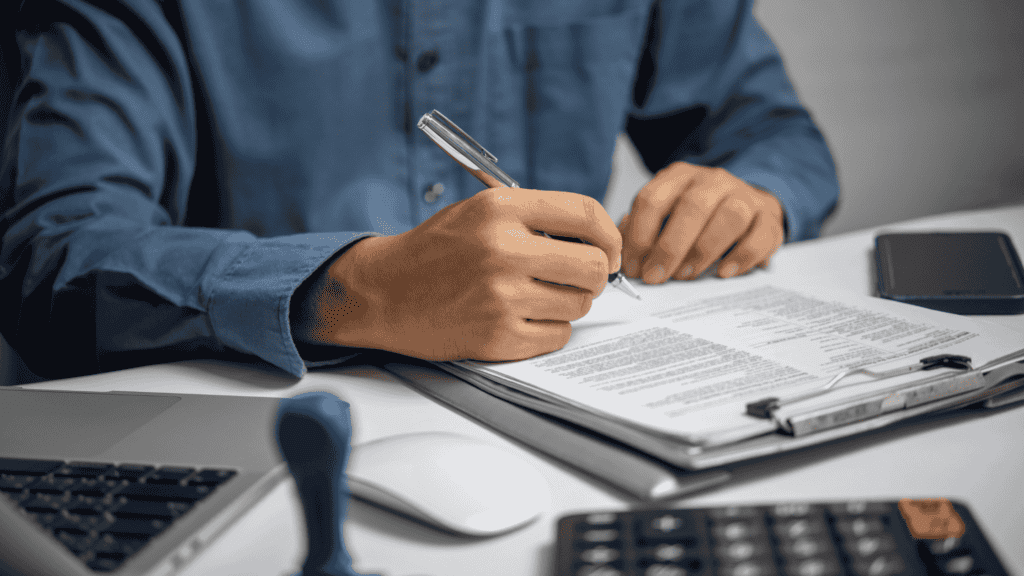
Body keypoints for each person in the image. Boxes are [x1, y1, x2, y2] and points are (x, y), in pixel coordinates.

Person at [0, 0, 838, 381]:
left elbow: (778, 138)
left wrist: (751, 192)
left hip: (574, 394)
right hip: (258, 420)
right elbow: (53, 252)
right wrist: (347, 289)